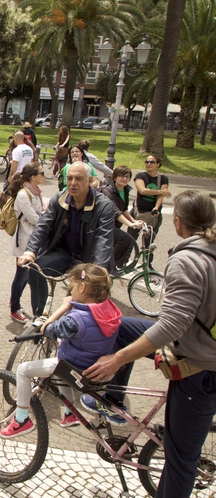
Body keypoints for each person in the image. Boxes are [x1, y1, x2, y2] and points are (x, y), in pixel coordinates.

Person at [83, 191, 216, 497]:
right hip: (201, 345)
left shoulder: (186, 261)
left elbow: (171, 325)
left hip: (201, 369)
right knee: (121, 325)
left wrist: (117, 359)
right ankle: (112, 400)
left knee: (181, 459)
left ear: (178, 223)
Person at [1, 263, 120, 438]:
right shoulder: (110, 309)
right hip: (94, 365)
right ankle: (70, 414)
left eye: (72, 287)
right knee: (59, 371)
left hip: (77, 366)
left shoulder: (76, 319)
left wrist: (65, 306)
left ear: (83, 287)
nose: (70, 292)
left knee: (23, 370)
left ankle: (21, 420)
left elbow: (47, 329)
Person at [17, 162, 115, 317]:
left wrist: (99, 270)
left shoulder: (104, 206)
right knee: (35, 269)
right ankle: (39, 316)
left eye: (78, 178)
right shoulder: (60, 198)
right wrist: (30, 252)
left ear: (90, 181)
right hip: (65, 253)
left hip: (88, 259)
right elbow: (43, 225)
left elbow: (104, 240)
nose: (72, 183)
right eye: (69, 178)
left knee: (84, 295)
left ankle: (77, 324)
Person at [8, 162, 46, 323]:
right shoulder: (24, 194)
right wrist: (44, 216)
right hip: (24, 240)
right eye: (42, 173)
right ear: (33, 177)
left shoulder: (35, 192)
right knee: (22, 275)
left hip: (32, 239)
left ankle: (15, 302)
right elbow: (35, 218)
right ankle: (14, 307)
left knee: (25, 275)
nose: (44, 176)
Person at [96, 166, 143, 272]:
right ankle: (108, 267)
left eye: (127, 177)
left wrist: (133, 221)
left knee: (115, 244)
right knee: (125, 239)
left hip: (114, 224)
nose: (124, 179)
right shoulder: (107, 191)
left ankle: (109, 266)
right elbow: (115, 211)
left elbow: (124, 209)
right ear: (115, 177)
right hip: (102, 224)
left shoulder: (125, 190)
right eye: (121, 176)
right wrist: (130, 224)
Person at [127, 154, 170, 257]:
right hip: (138, 213)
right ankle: (122, 262)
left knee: (149, 243)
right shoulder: (140, 176)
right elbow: (142, 190)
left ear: (158, 164)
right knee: (130, 239)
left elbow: (161, 196)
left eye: (152, 162)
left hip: (153, 215)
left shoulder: (163, 179)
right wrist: (161, 191)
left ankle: (148, 265)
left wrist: (156, 207)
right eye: (147, 162)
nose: (149, 164)